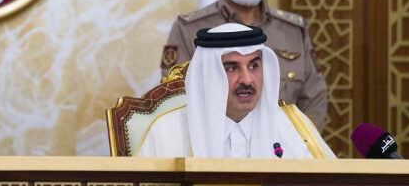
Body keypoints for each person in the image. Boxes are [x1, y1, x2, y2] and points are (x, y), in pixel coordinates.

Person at [160, 0, 327, 131]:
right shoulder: (190, 29)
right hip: (217, 154)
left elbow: (314, 100)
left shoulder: (293, 29)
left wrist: (297, 146)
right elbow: (177, 101)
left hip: (283, 154)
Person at [139, 24, 335, 158]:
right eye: (232, 68)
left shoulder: (293, 127)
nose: (247, 80)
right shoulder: (166, 132)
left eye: (254, 66)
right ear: (208, 74)